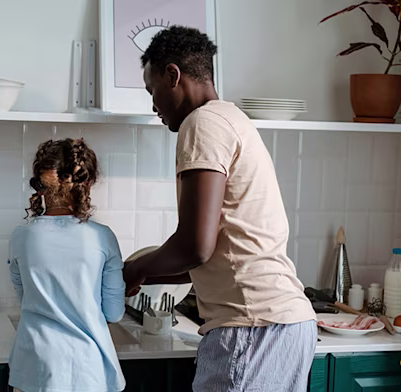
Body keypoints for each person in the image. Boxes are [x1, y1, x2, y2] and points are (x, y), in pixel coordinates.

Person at [123, 26, 317, 391]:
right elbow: (208, 259)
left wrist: (130, 270)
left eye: (152, 90)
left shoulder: (202, 123)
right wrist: (146, 275)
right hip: (282, 324)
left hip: (252, 328)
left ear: (173, 75)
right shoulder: (232, 118)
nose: (153, 104)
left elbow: (195, 247)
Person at [8, 138, 126, 392]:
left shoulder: (21, 237)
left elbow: (26, 297)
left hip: (34, 369)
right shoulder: (102, 237)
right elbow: (114, 313)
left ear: (40, 186)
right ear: (88, 184)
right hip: (88, 372)